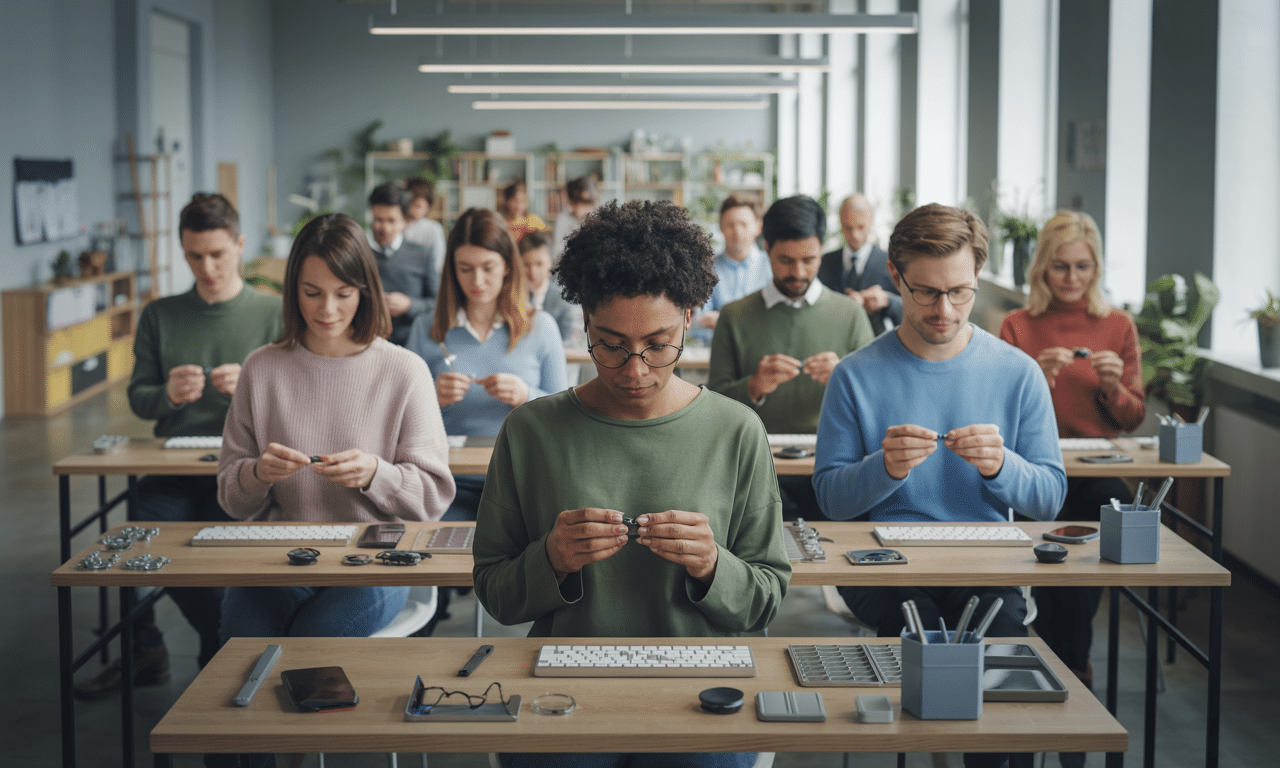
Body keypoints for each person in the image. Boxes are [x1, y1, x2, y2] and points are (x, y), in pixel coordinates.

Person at [472, 200, 791, 768]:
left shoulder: (737, 430)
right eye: (611, 344)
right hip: (566, 684)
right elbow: (495, 592)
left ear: (691, 316)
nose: (635, 370)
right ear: (585, 321)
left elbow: (767, 592)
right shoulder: (532, 432)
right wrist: (551, 558)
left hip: (702, 687)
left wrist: (713, 565)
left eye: (659, 344)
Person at [814, 203, 1065, 768]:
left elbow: (1049, 496)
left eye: (961, 292)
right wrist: (887, 468)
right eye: (926, 292)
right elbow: (830, 499)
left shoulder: (1017, 372)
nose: (944, 310)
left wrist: (1002, 466)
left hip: (987, 563)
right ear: (895, 277)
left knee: (1001, 662)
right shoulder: (855, 375)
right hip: (885, 566)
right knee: (920, 638)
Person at [74, 193, 283, 701]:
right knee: (130, 541)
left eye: (217, 254)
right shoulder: (160, 315)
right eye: (194, 256)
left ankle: (217, 655)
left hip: (242, 472)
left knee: (213, 562)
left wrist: (253, 391)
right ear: (182, 252)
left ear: (239, 244)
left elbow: (293, 409)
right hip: (172, 467)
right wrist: (166, 392)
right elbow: (140, 399)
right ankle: (151, 650)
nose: (207, 267)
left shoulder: (275, 313)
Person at [218, 212, 454, 637]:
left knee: (315, 635)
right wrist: (256, 474)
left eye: (343, 293)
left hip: (378, 558)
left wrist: (376, 474)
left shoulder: (404, 370)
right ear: (294, 291)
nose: (327, 310)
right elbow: (233, 500)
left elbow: (432, 499)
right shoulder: (261, 368)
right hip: (282, 553)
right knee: (238, 638)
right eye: (312, 293)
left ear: (365, 291)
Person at [999, 211, 1144, 767]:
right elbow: (998, 414)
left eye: (1083, 266)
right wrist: (1035, 376)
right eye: (1060, 266)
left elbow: (1132, 419)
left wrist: (1111, 388)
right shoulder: (1016, 325)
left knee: (1098, 535)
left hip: (1095, 466)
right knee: (1059, 569)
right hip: (1037, 467)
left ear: (1096, 268)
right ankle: (1072, 679)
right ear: (1042, 268)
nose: (1071, 278)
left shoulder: (1118, 326)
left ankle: (1060, 673)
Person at [709, 194, 874, 519]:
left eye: (809, 259)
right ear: (766, 248)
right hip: (756, 468)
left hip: (834, 466)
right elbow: (713, 408)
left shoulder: (851, 314)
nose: (798, 272)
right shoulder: (734, 316)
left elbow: (878, 402)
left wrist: (844, 378)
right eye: (785, 260)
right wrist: (754, 385)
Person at [405, 208, 568, 521]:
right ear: (451, 270)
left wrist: (527, 396)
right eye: (465, 269)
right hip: (447, 484)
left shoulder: (542, 327)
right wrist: (431, 399)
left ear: (508, 265)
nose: (477, 281)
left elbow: (566, 419)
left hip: (523, 484)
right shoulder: (425, 329)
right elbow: (398, 423)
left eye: (487, 268)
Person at [817, 193, 903, 335]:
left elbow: (911, 309)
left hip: (876, 344)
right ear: (840, 223)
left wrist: (887, 300)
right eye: (847, 227)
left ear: (871, 221)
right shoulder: (824, 263)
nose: (854, 235)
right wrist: (844, 304)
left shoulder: (890, 263)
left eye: (860, 227)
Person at [690, 194, 771, 343]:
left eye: (743, 224)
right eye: (730, 224)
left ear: (758, 227)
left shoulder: (772, 267)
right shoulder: (706, 269)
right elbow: (697, 325)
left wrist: (723, 322)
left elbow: (774, 322)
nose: (737, 232)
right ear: (721, 227)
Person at [368, 182, 440, 345]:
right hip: (370, 344)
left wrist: (410, 305)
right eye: (378, 220)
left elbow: (438, 303)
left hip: (413, 344)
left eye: (391, 221)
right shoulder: (361, 255)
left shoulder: (422, 254)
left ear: (404, 221)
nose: (384, 228)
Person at [519, 230, 579, 343]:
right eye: (526, 264)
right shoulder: (513, 295)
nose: (532, 272)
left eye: (539, 264)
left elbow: (567, 341)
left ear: (550, 263)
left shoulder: (562, 299)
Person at [402, 175, 446, 277]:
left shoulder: (433, 229)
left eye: (418, 206)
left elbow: (438, 263)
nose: (413, 210)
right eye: (410, 204)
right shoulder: (397, 225)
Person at [550, 175, 599, 261]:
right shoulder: (562, 219)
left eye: (590, 205)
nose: (588, 210)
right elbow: (556, 253)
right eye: (584, 205)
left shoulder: (597, 218)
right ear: (572, 203)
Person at [499, 179, 546, 243]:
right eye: (515, 200)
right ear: (507, 201)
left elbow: (544, 245)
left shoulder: (535, 221)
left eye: (523, 201)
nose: (519, 206)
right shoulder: (501, 224)